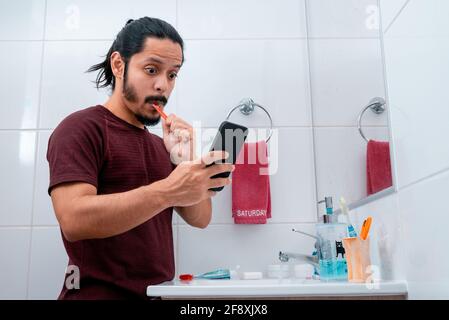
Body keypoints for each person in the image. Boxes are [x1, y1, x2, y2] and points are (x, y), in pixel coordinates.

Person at [47, 17, 233, 300]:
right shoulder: (82, 128)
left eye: (172, 74)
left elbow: (201, 219)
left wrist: (185, 163)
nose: (163, 85)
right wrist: (168, 190)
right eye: (151, 70)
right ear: (119, 65)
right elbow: (73, 220)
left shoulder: (162, 146)